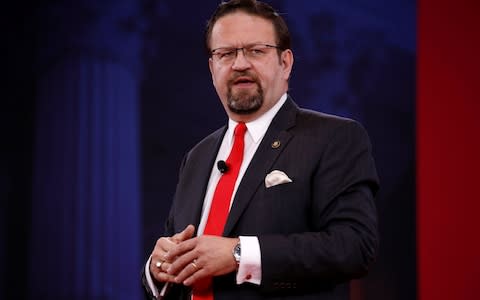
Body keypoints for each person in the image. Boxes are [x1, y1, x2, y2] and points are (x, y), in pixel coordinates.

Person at [142, 0, 379, 299]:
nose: (240, 63)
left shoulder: (335, 137)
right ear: (212, 67)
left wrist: (240, 252)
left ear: (285, 63)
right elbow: (176, 258)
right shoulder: (197, 157)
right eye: (226, 53)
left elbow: (354, 246)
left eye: (256, 50)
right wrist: (157, 268)